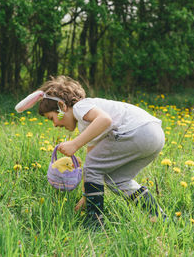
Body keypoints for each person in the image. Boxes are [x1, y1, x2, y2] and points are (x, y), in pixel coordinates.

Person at [16, 75, 166, 227]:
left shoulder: (81, 107)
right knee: (117, 180)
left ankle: (95, 223)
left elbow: (105, 120)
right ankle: (158, 216)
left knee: (95, 168)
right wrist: (87, 195)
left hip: (136, 131)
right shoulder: (87, 122)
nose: (54, 124)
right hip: (153, 135)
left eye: (51, 118)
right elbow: (91, 161)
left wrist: (75, 144)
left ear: (62, 107)